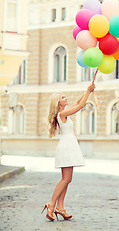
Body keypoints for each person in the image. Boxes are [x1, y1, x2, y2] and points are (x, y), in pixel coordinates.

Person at [41, 83, 96, 221]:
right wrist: (88, 91)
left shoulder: (64, 112)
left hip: (68, 145)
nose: (66, 98)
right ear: (58, 102)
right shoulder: (62, 113)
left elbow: (78, 102)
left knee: (66, 180)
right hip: (67, 146)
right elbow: (80, 106)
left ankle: (60, 207)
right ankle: (52, 205)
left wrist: (87, 92)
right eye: (63, 97)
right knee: (66, 179)